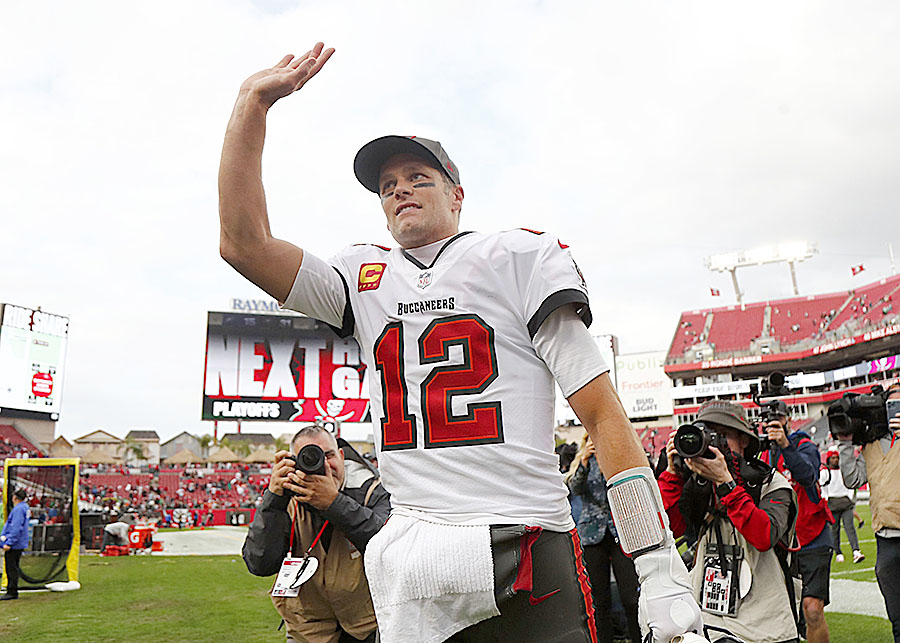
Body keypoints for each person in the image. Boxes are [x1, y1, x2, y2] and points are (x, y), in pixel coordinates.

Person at [218, 42, 702, 643]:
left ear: (457, 194)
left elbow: (600, 411)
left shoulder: (518, 257)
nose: (399, 190)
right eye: (387, 185)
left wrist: (655, 562)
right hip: (412, 550)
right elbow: (243, 243)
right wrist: (252, 104)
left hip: (521, 538)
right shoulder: (359, 275)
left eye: (419, 177)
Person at [658, 400, 800, 643]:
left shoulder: (771, 483)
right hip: (709, 615)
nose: (714, 445)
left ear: (744, 440)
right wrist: (673, 477)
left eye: (722, 436)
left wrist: (726, 484)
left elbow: (763, 536)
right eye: (706, 436)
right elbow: (667, 530)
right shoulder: (698, 484)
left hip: (765, 617)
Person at [242, 425, 390, 643]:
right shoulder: (287, 495)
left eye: (328, 455)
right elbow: (260, 563)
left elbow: (387, 549)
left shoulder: (373, 488)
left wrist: (334, 503)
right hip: (308, 629)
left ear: (341, 455)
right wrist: (273, 501)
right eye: (309, 457)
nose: (322, 464)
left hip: (367, 626)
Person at [760, 401, 834, 643]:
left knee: (812, 610)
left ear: (787, 419)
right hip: (780, 541)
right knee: (783, 614)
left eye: (778, 418)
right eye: (769, 420)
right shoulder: (761, 452)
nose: (774, 424)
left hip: (813, 535)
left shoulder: (803, 444)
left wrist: (785, 445)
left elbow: (808, 475)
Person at [838, 383, 900, 642]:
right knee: (898, 618)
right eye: (892, 404)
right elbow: (853, 479)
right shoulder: (872, 443)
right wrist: (844, 444)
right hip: (886, 537)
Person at [566, 434, 641, 643]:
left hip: (620, 532)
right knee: (599, 601)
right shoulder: (582, 463)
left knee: (631, 598)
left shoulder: (617, 457)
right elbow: (576, 489)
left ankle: (638, 638)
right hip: (592, 535)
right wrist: (584, 462)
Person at [819, 448, 864, 564]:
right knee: (835, 530)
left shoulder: (843, 471)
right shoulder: (824, 472)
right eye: (833, 458)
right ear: (828, 459)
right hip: (832, 503)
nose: (835, 460)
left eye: (837, 458)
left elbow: (850, 485)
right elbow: (823, 488)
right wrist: (826, 500)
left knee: (850, 527)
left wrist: (849, 497)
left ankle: (856, 551)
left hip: (845, 502)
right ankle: (838, 552)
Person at [1, 487, 30, 600]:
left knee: (11, 567)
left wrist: (9, 542)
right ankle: (12, 589)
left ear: (14, 498)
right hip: (20, 542)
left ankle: (12, 591)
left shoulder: (18, 509)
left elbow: (16, 527)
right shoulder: (25, 507)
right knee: (14, 566)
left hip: (15, 543)